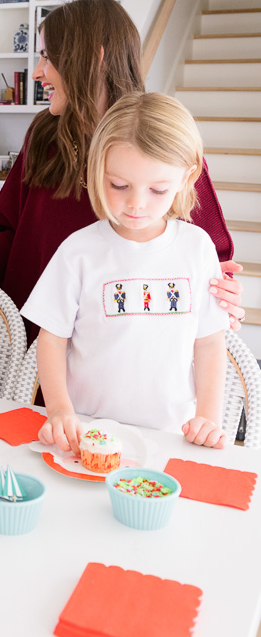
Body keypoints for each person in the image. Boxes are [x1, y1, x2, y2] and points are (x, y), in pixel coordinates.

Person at [0, 0, 243, 341]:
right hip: (38, 350)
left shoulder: (164, 144)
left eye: (48, 56)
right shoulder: (44, 135)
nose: (38, 71)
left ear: (94, 56)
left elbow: (210, 262)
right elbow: (11, 236)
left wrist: (223, 294)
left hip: (128, 353)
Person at [22, 93, 228, 450]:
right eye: (119, 185)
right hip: (86, 433)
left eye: (157, 189)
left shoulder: (197, 248)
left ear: (187, 176)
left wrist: (208, 419)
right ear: (97, 168)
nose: (136, 203)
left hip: (172, 436)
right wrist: (58, 409)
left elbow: (209, 342)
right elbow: (51, 339)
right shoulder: (78, 251)